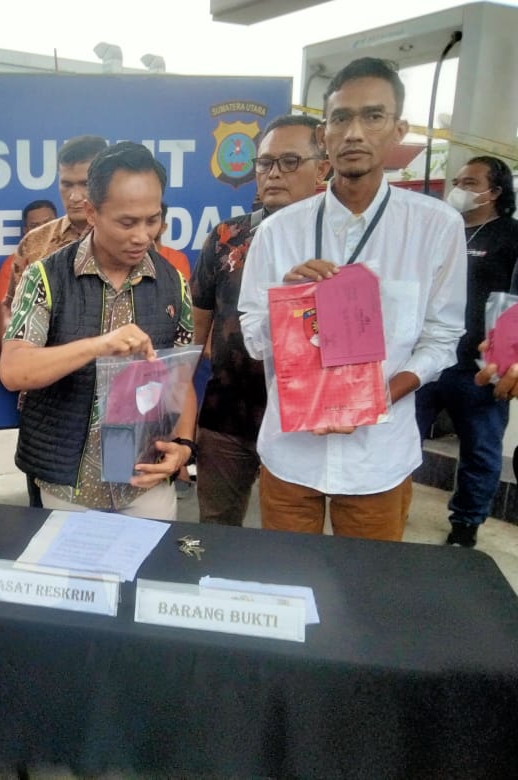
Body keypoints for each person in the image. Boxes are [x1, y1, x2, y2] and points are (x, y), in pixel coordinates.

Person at [238, 57, 466, 541]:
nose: (355, 132)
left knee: (367, 595)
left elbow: (442, 337)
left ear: (399, 128)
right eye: (341, 118)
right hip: (290, 452)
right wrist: (289, 303)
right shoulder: (279, 232)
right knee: (287, 588)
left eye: (373, 116)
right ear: (324, 134)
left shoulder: (435, 227)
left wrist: (384, 393)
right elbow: (255, 340)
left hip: (377, 456)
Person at [1, 142, 196, 521]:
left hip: (145, 483)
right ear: (91, 212)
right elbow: (14, 370)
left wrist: (185, 445)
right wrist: (97, 345)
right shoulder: (46, 277)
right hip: (68, 487)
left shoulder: (174, 283)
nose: (142, 236)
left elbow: (180, 376)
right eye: (127, 222)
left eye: (152, 220)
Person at [191, 115, 330, 526]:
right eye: (265, 163)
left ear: (322, 167)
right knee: (216, 531)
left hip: (303, 420)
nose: (274, 174)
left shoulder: (337, 240)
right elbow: (199, 329)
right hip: (228, 414)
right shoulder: (225, 238)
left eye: (290, 161)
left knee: (289, 540)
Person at [422, 156, 518, 546]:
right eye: (457, 180)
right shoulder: (441, 231)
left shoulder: (511, 237)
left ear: (494, 192)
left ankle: (465, 526)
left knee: (479, 449)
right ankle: (391, 506)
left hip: (479, 366)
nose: (458, 189)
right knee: (401, 437)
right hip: (429, 360)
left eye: (470, 182)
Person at [0, 135, 109, 335]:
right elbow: (11, 308)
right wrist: (17, 342)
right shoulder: (33, 243)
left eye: (85, 184)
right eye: (67, 184)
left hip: (112, 361)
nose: (75, 197)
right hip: (47, 362)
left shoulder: (125, 240)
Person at [0, 199, 58, 305]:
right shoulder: (12, 266)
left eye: (48, 223)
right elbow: (5, 313)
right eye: (35, 226)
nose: (43, 230)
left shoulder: (79, 254)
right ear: (26, 231)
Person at [155, 203, 192, 281]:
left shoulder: (178, 259)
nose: (146, 229)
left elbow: (181, 291)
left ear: (163, 227)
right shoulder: (131, 257)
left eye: (152, 222)